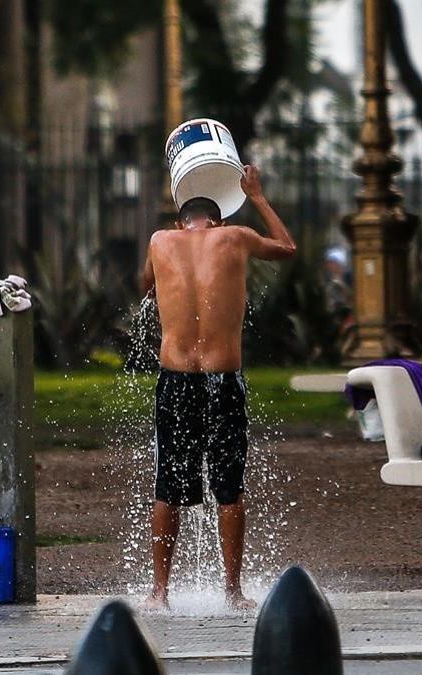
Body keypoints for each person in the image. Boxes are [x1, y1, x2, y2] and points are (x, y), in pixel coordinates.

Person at [140, 165, 296, 609]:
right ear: (219, 221)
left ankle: (159, 592)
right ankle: (233, 591)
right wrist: (257, 195)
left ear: (179, 224)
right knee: (229, 486)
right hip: (222, 380)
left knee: (167, 486)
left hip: (174, 379)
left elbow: (145, 288)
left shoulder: (159, 242)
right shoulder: (237, 237)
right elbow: (287, 247)